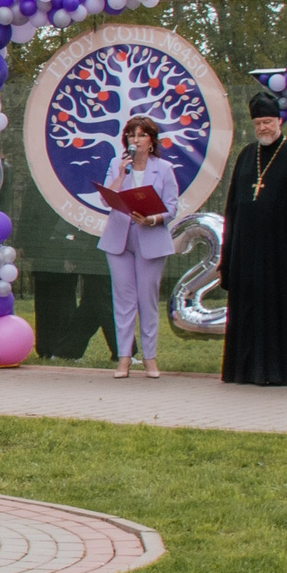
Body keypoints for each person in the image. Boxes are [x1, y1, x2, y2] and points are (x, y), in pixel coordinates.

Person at [216, 91, 287, 387]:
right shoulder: (246, 155)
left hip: (282, 255)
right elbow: (233, 208)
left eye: (268, 121)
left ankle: (283, 372)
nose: (263, 128)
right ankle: (244, 370)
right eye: (258, 123)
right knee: (247, 312)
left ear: (279, 121)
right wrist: (228, 256)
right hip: (246, 253)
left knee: (280, 313)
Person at [97, 115, 180, 379]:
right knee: (123, 301)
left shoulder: (164, 168)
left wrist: (152, 218)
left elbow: (172, 207)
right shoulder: (116, 164)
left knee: (147, 300)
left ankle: (150, 358)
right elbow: (106, 199)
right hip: (120, 238)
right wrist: (121, 175)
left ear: (151, 142)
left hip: (150, 237)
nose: (136, 139)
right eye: (132, 135)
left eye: (142, 135)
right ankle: (124, 358)